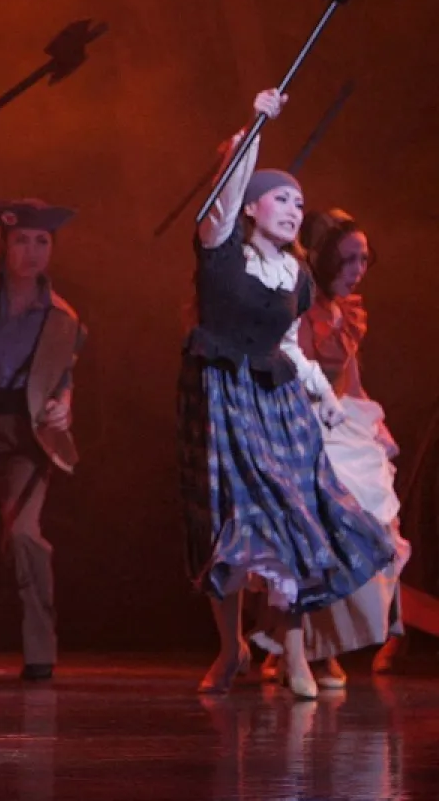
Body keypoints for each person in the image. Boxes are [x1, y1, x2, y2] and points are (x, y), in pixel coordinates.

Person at [179, 89, 393, 699]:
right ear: (251, 207)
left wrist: (324, 394)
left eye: (301, 201)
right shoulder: (219, 250)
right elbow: (221, 202)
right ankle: (231, 650)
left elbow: (292, 346)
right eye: (281, 197)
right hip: (221, 398)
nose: (296, 209)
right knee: (227, 523)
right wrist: (255, 128)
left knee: (294, 519)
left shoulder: (295, 275)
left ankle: (296, 656)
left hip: (277, 403)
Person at [0, 108, 86, 681]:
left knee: (25, 535)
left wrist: (65, 402)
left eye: (41, 241)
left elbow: (63, 373)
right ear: (7, 244)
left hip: (26, 433)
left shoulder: (64, 317)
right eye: (22, 240)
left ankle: (40, 652)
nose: (32, 251)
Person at [276, 209, 406, 679]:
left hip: (345, 428)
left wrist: (373, 426)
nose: (358, 269)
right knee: (321, 537)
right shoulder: (299, 312)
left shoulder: (346, 313)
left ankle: (327, 644)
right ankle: (301, 648)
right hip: (308, 426)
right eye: (348, 258)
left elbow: (352, 379)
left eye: (365, 259)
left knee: (372, 530)